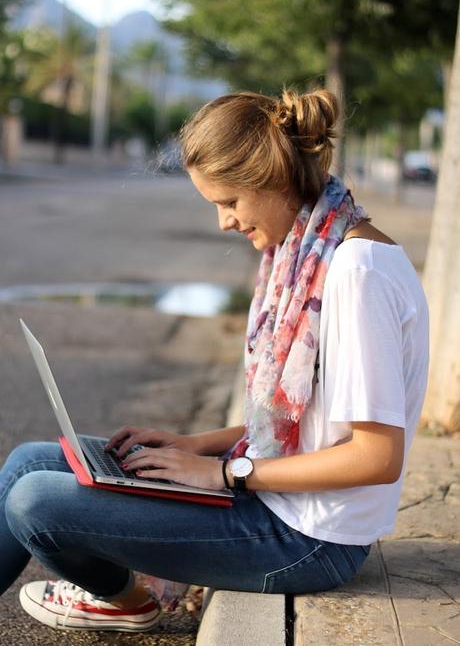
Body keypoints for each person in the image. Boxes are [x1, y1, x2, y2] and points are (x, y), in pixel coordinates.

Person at [0, 88, 429, 633]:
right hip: (275, 507)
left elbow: (375, 457)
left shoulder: (355, 273)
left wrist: (224, 473)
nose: (224, 222)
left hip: (308, 541)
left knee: (35, 502)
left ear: (272, 180)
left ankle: (128, 600)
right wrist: (193, 447)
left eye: (229, 202)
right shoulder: (310, 253)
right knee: (28, 462)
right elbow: (310, 421)